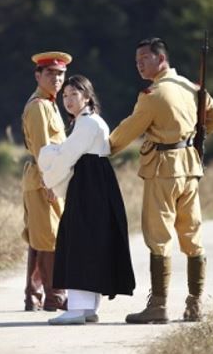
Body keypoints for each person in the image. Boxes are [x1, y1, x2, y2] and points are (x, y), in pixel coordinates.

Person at [109, 37, 213, 324]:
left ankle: (158, 306)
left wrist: (103, 148)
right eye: (137, 61)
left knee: (159, 237)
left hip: (162, 169)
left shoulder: (153, 95)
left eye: (144, 59)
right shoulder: (192, 87)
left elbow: (127, 131)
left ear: (161, 59)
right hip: (190, 168)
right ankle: (195, 304)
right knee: (192, 235)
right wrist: (192, 136)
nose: (139, 65)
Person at [38, 75, 136, 325]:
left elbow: (67, 156)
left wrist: (47, 177)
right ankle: (88, 307)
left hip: (90, 185)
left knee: (80, 241)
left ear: (87, 97)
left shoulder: (87, 124)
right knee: (90, 241)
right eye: (65, 95)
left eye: (74, 95)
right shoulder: (87, 122)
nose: (68, 100)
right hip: (93, 183)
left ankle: (79, 309)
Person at [20, 51, 72, 311]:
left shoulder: (49, 103)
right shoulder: (40, 106)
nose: (56, 78)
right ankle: (55, 296)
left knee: (41, 236)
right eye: (50, 73)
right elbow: (43, 148)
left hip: (49, 176)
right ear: (38, 75)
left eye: (61, 74)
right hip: (44, 178)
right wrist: (50, 182)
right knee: (49, 237)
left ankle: (35, 295)